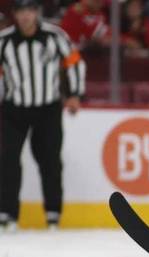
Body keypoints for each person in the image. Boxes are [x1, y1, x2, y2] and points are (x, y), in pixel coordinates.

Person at [0, 0, 84, 232]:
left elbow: (74, 62)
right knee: (8, 161)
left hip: (47, 108)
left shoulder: (54, 36)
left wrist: (74, 93)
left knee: (50, 161)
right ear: (15, 14)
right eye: (21, 11)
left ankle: (53, 213)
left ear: (37, 13)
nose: (26, 16)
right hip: (14, 108)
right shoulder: (4, 40)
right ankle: (7, 213)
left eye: (30, 10)